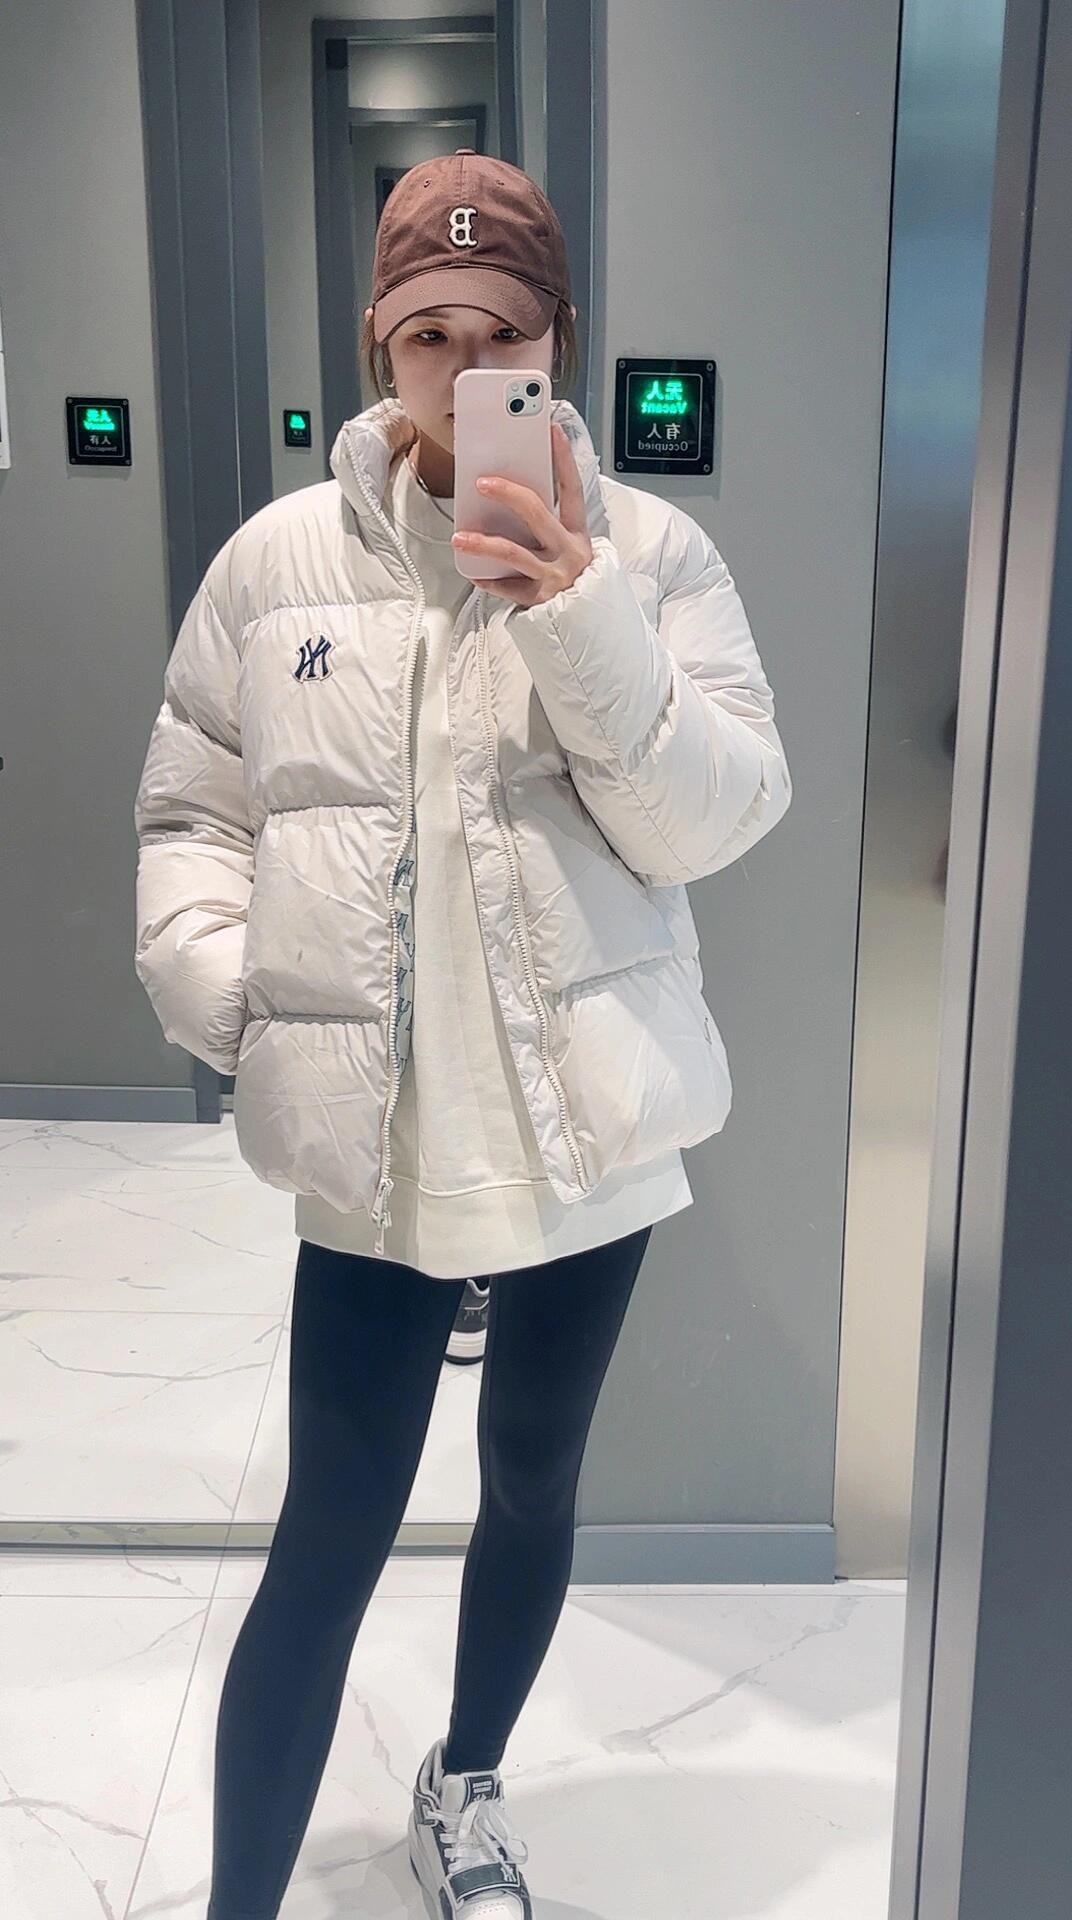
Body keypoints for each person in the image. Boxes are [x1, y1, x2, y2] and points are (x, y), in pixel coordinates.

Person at [133, 149, 792, 1920]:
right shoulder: (276, 563)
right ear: (378, 344)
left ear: (556, 339)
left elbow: (718, 816)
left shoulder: (654, 556)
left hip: (583, 1132)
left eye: (501, 332)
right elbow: (194, 811)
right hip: (377, 1142)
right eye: (428, 332)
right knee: (327, 1534)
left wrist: (579, 611)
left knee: (535, 1480)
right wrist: (241, 1006)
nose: (461, 366)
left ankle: (467, 1786)